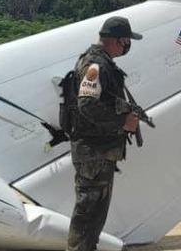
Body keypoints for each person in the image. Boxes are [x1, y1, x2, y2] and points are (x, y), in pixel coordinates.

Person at [67, 16, 142, 251]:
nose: (127, 45)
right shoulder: (96, 65)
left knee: (93, 214)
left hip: (97, 152)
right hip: (94, 153)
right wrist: (123, 122)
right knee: (88, 213)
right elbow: (87, 105)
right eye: (126, 41)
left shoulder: (99, 62)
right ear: (118, 40)